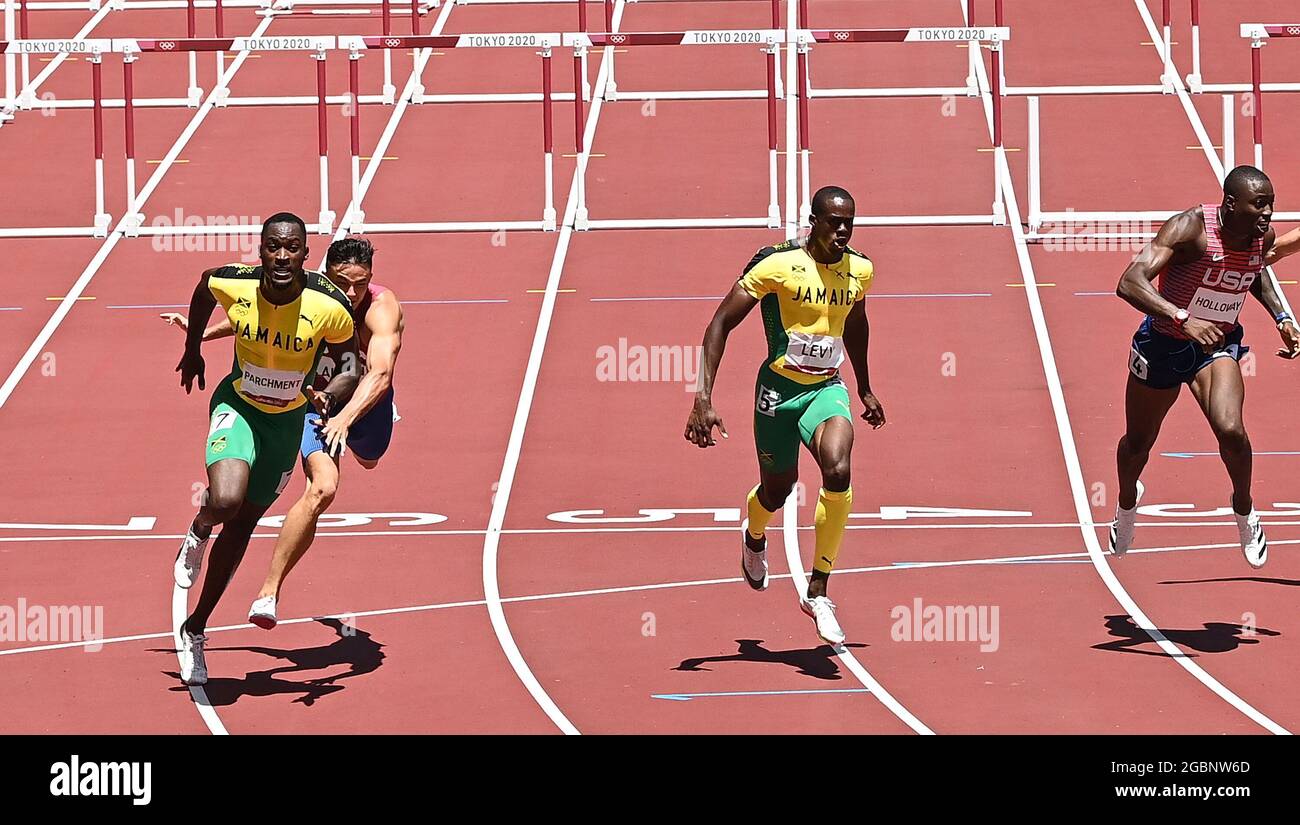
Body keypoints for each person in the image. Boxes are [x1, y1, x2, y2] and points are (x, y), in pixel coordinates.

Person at [164, 238, 404, 631]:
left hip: (364, 399)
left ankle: (370, 429)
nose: (351, 292)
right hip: (311, 401)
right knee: (323, 488)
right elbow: (257, 320)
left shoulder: (381, 310)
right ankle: (269, 593)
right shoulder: (309, 294)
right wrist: (201, 336)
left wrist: (345, 419)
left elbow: (378, 373)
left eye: (361, 283)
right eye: (343, 281)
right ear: (325, 274)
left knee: (370, 458)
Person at [684, 186, 883, 646]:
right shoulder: (777, 265)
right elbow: (720, 323)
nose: (843, 231)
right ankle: (754, 533)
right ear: (813, 221)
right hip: (777, 392)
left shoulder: (859, 270)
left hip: (825, 390)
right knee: (778, 489)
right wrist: (703, 397)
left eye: (850, 222)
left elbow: (855, 323)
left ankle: (818, 592)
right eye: (834, 222)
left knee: (839, 468)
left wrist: (866, 387)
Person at [173, 213, 356, 685]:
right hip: (238, 406)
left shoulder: (329, 304)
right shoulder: (234, 283)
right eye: (273, 247)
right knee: (226, 501)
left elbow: (351, 365)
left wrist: (329, 394)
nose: (281, 256)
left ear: (304, 254)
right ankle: (198, 529)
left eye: (291, 248)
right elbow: (200, 289)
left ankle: (196, 629)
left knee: (244, 526)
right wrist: (193, 349)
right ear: (260, 250)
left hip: (286, 422)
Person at [1111, 166, 1300, 567]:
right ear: (1231, 204)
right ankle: (1127, 505)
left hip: (1216, 346)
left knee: (1231, 430)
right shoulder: (1189, 229)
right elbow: (1129, 282)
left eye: (1271, 204)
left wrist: (1282, 317)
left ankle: (1245, 511)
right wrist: (1182, 317)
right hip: (1162, 343)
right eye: (1259, 204)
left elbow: (1254, 273)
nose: (1268, 214)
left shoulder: (1259, 236)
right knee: (1137, 445)